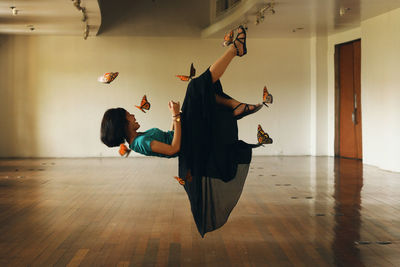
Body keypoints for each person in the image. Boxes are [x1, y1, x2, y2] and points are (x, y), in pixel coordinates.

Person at [101, 26, 264, 236]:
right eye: (129, 116)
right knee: (196, 88)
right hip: (189, 145)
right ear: (123, 124)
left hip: (187, 137)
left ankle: (236, 102)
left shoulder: (138, 139)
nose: (133, 116)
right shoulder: (139, 143)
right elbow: (173, 148)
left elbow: (170, 138)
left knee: (201, 92)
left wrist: (174, 117)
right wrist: (177, 116)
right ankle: (235, 50)